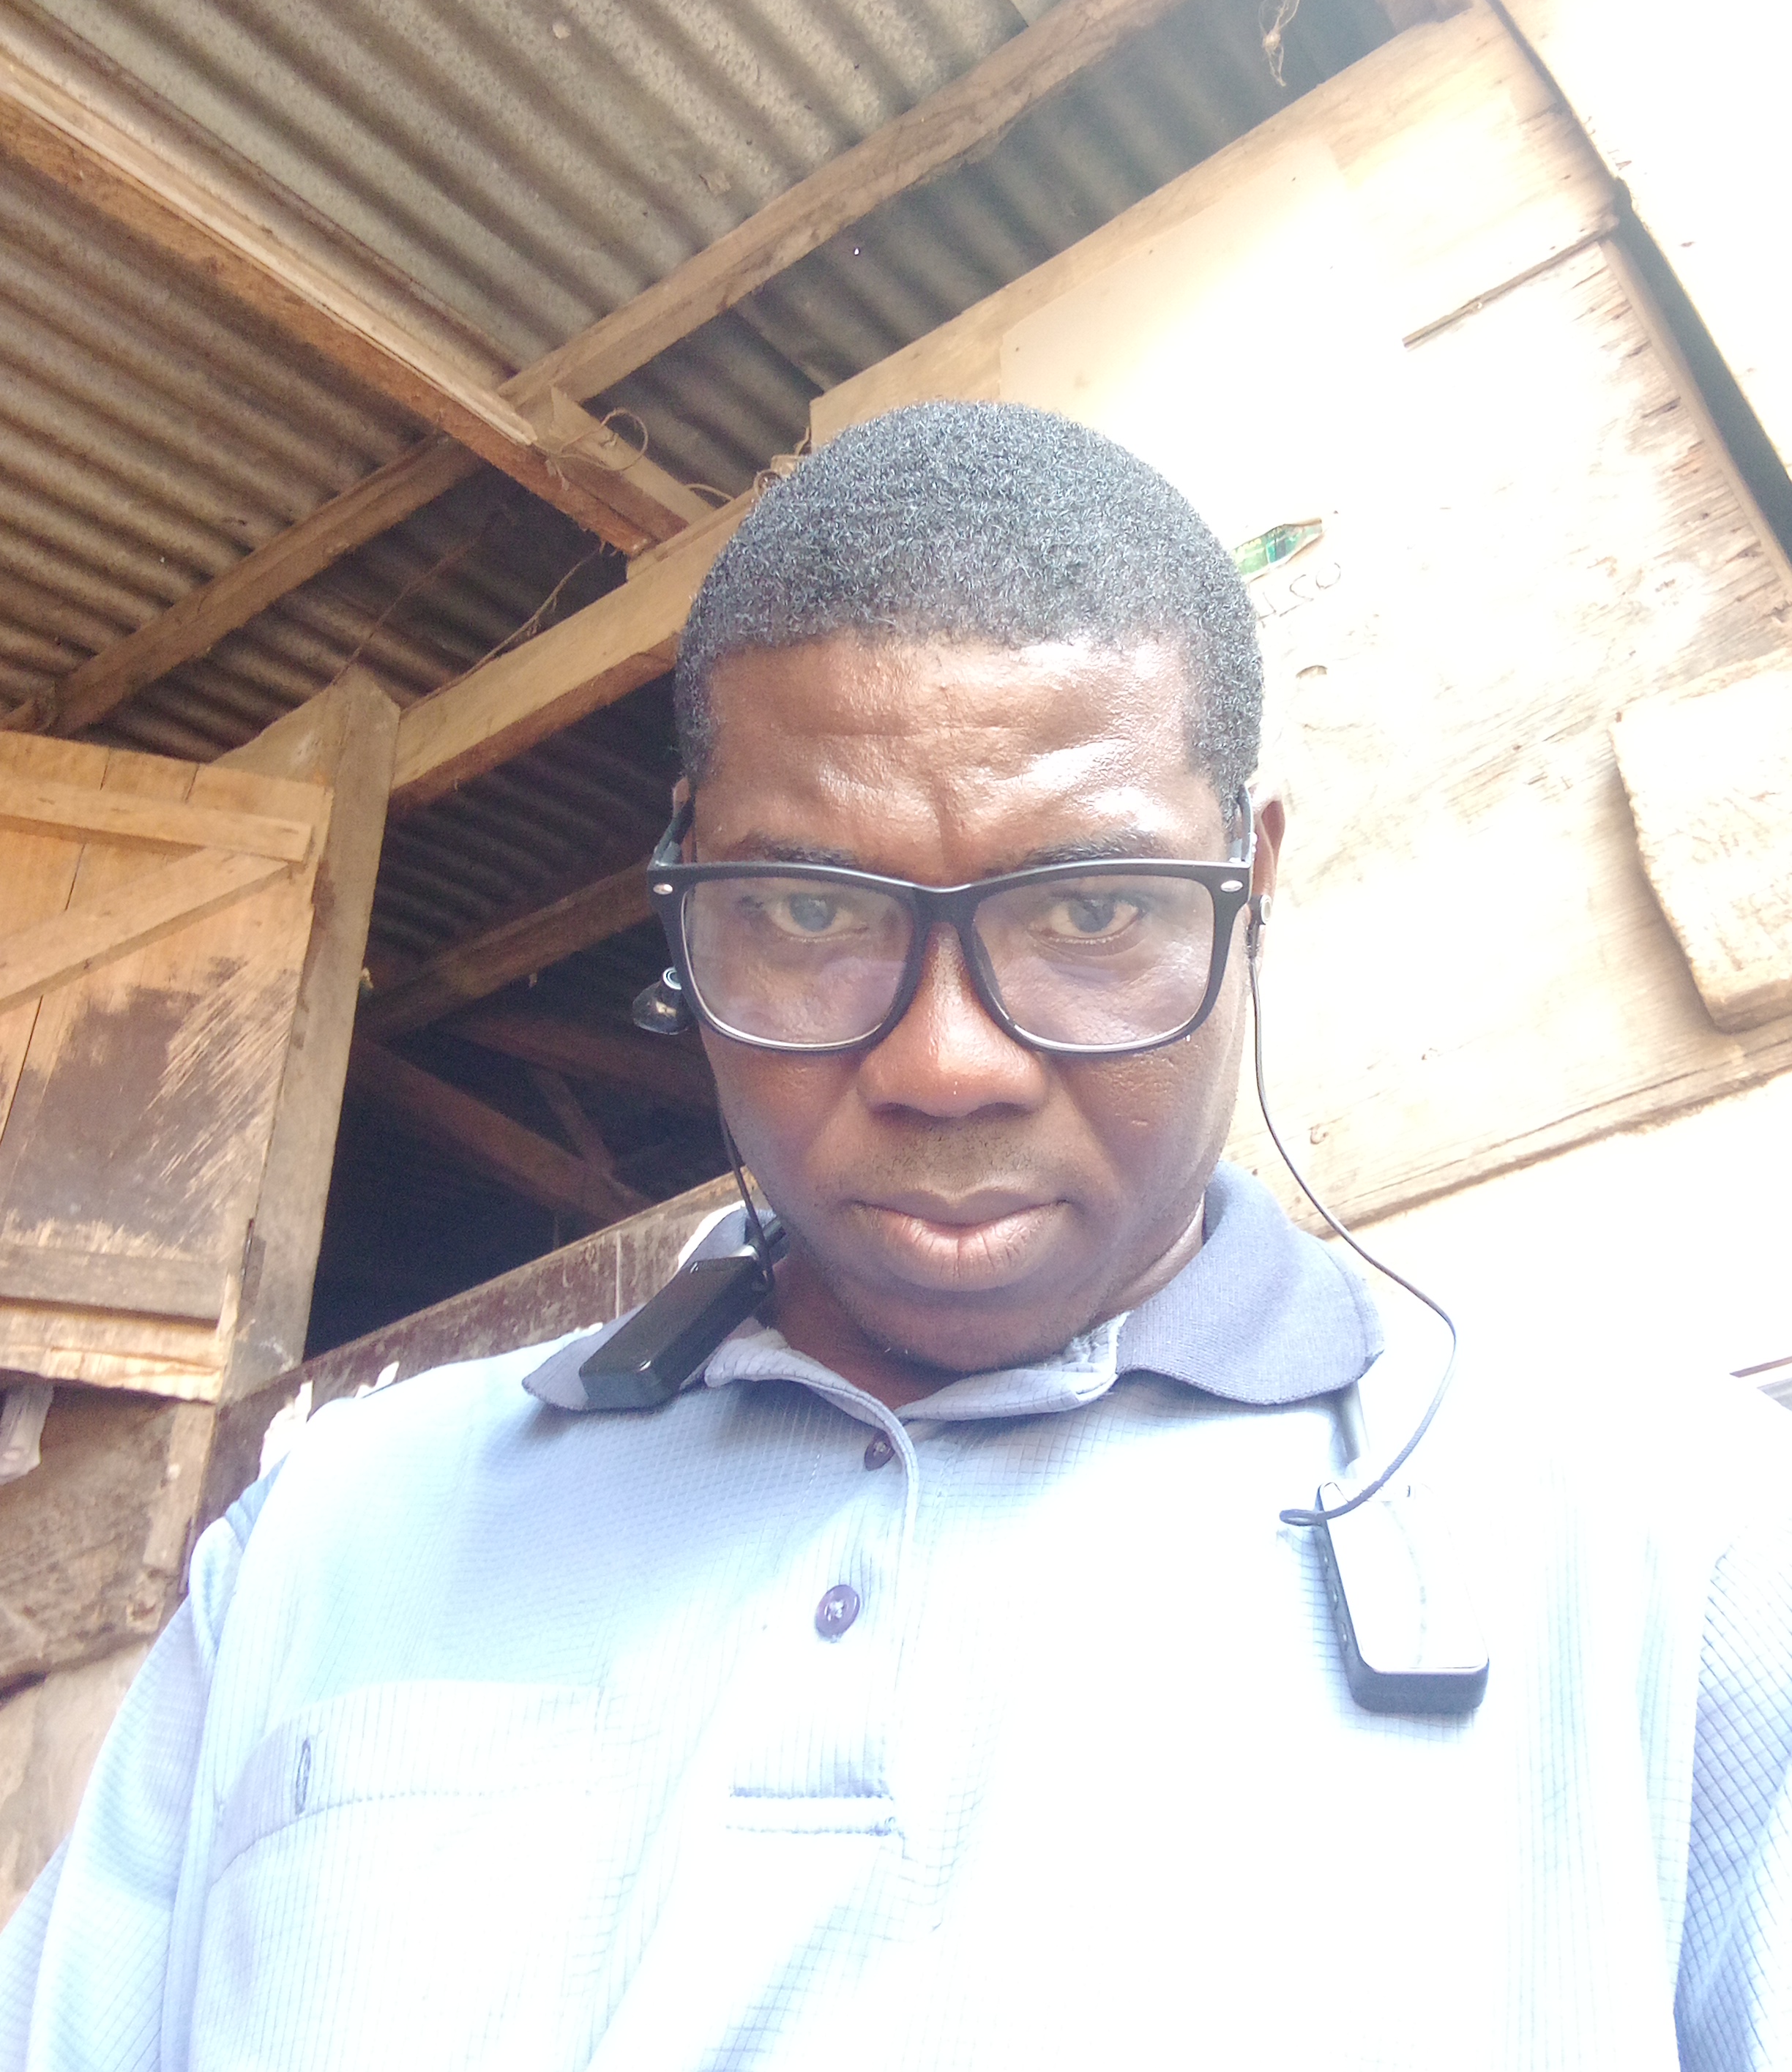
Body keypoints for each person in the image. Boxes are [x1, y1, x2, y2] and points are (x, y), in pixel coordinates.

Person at [3, 400, 1788, 2071]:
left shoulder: (1672, 1543)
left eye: (1093, 909)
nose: (946, 1065)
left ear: (1249, 879)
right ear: (683, 884)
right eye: (807, 910)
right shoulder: (331, 1535)